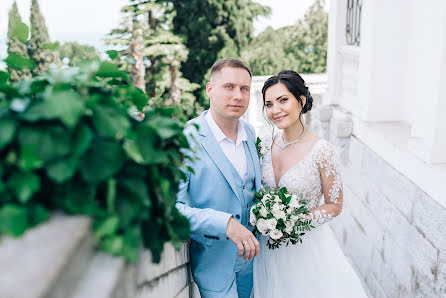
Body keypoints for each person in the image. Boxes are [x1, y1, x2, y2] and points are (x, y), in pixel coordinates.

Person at [252, 70, 367, 297]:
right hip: (266, 249)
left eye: (283, 100)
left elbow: (335, 205)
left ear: (301, 101)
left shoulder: (322, 151)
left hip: (305, 248)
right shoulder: (263, 145)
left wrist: (293, 224)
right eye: (269, 104)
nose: (275, 110)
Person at [176, 58, 262, 298]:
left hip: (252, 263)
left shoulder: (250, 133)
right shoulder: (186, 138)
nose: (238, 95)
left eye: (244, 89)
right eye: (229, 87)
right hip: (214, 265)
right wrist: (225, 224)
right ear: (210, 89)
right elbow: (173, 209)